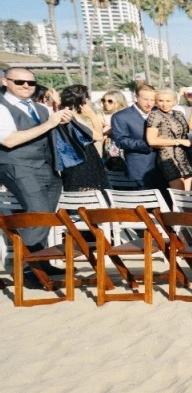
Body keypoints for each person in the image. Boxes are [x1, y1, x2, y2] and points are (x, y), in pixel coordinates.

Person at [0, 67, 73, 253]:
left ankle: (40, 261)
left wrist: (62, 120)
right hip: (17, 165)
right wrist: (50, 123)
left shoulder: (40, 108)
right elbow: (9, 140)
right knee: (37, 214)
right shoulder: (2, 107)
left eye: (31, 83)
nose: (26, 86)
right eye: (19, 82)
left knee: (45, 216)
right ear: (5, 82)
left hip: (46, 168)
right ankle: (28, 268)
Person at [56, 84, 110, 192]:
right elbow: (98, 136)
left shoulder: (62, 114)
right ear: (83, 100)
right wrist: (92, 116)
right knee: (88, 193)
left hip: (72, 158)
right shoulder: (73, 117)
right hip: (84, 160)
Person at [145, 89, 192, 191]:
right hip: (168, 157)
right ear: (156, 101)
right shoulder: (155, 115)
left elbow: (185, 134)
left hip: (184, 157)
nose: (164, 104)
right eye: (160, 101)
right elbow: (151, 141)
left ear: (174, 101)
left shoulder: (179, 114)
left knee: (189, 197)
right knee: (180, 197)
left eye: (168, 101)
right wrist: (178, 141)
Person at [112, 84, 160, 188]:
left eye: (152, 100)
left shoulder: (159, 112)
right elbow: (120, 141)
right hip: (140, 167)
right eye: (145, 99)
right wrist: (149, 144)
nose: (149, 103)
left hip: (164, 166)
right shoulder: (121, 116)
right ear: (136, 97)